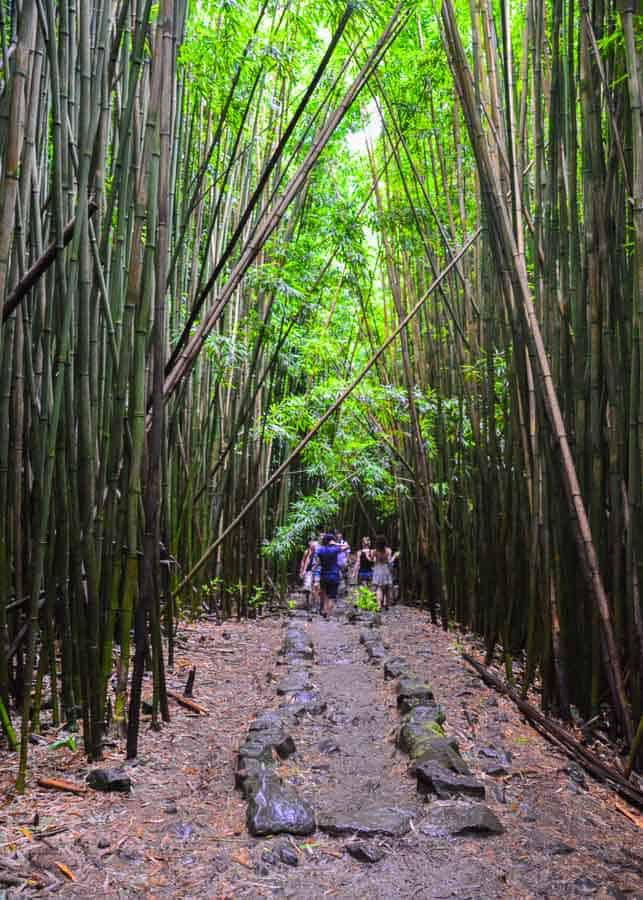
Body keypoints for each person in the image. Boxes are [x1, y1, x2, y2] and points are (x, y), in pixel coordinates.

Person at [316, 533, 347, 618]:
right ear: (331, 541)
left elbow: (318, 562)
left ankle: (325, 611)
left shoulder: (320, 550)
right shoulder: (335, 549)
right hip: (334, 575)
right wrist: (336, 543)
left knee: (325, 595)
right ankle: (328, 615)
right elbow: (346, 546)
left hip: (323, 575)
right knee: (332, 597)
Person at [372, 534, 393, 611]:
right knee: (387, 588)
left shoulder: (375, 551)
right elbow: (389, 561)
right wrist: (395, 556)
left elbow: (372, 560)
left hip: (377, 569)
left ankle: (379, 605)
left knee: (379, 588)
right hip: (385, 569)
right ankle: (386, 604)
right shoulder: (388, 550)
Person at [299, 538, 317, 611]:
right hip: (308, 571)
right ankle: (307, 602)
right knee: (307, 588)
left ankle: (313, 604)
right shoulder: (307, 551)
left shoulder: (318, 551)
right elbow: (303, 561)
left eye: (313, 542)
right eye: (311, 542)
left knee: (314, 588)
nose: (312, 543)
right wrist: (302, 570)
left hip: (316, 571)